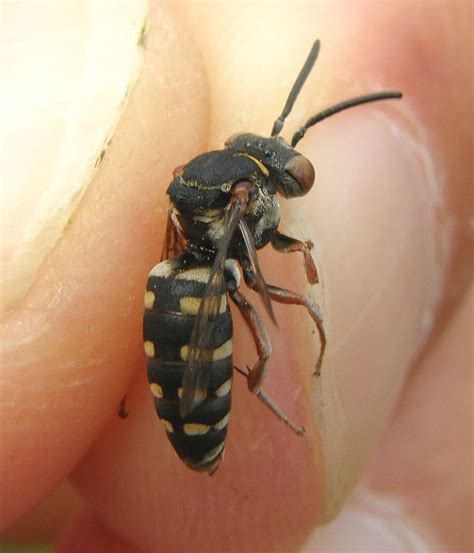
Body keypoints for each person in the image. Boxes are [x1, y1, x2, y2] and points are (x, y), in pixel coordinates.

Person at [1, 3, 471, 552]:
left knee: (238, 303)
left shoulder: (204, 186)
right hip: (195, 317)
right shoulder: (242, 200)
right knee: (269, 334)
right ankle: (261, 392)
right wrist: (302, 305)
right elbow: (259, 286)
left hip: (179, 286)